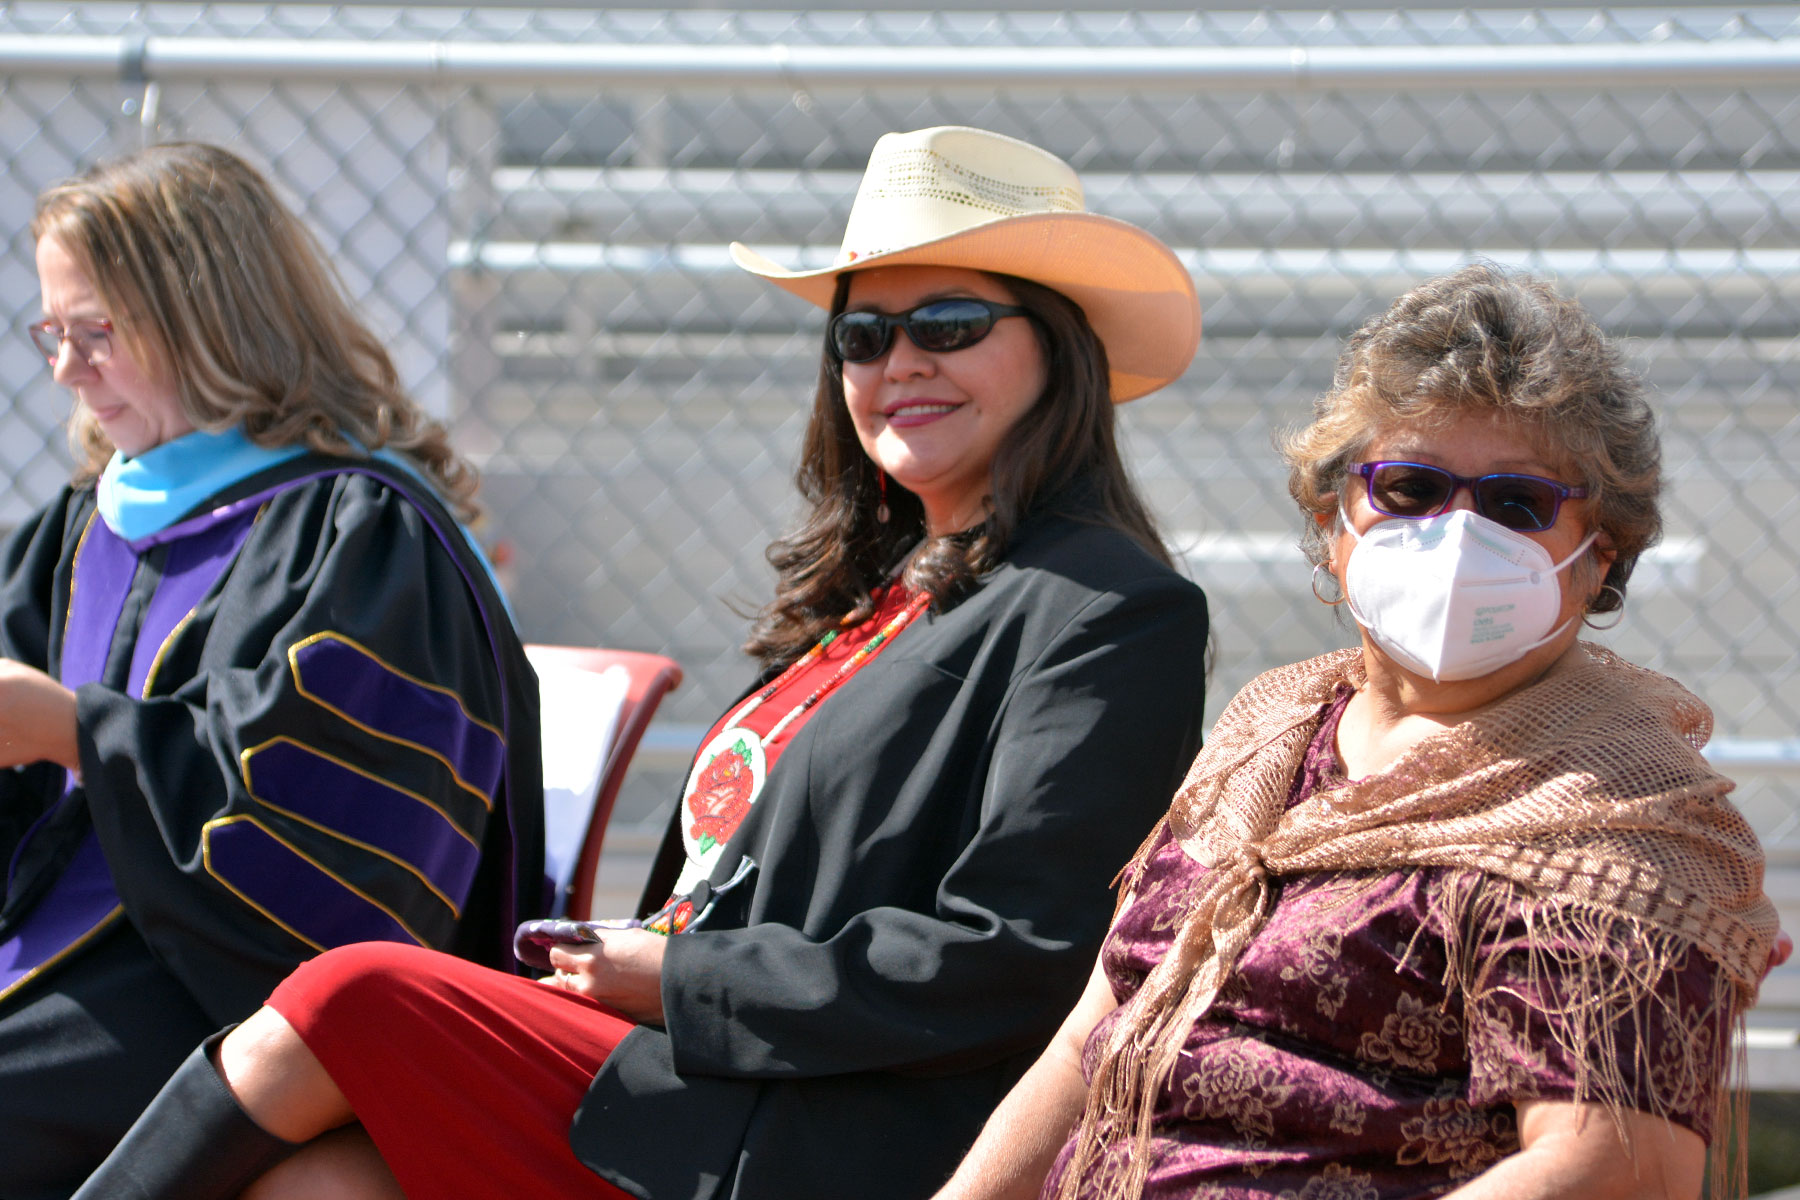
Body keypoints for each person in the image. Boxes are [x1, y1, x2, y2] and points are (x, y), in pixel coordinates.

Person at [74, 124, 1211, 1200]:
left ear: (1056, 349)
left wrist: (671, 979)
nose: (897, 362)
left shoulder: (1108, 608)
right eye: (862, 336)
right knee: (315, 1183)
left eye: (950, 325)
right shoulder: (883, 599)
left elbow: (1021, 957)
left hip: (839, 1118)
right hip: (698, 1070)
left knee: (352, 990)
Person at [934, 264, 1782, 1200]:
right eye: (1411, 488)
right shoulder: (1270, 731)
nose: (1457, 536)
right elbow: (1097, 1035)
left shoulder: (1614, 818)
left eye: (1515, 504)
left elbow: (1613, 1168)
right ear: (1335, 520)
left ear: (1597, 557)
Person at [0, 142, 544, 1198]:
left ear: (209, 318)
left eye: (96, 332)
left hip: (209, 992)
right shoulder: (78, 530)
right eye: (51, 334)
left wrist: (73, 731)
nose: (66, 369)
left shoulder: (365, 534)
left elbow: (336, 871)